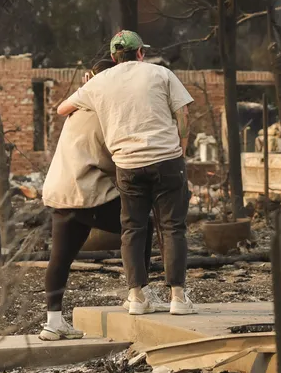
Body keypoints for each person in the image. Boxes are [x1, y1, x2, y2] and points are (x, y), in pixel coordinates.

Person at [57, 30, 195, 315]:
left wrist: (89, 89)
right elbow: (183, 114)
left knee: (133, 229)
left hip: (128, 165)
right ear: (141, 53)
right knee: (173, 228)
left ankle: (136, 297)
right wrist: (181, 149)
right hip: (167, 160)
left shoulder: (101, 82)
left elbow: (62, 109)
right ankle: (178, 298)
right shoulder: (161, 73)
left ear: (112, 57)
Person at [39, 59, 165, 341]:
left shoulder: (79, 108)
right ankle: (138, 293)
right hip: (87, 191)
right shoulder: (106, 111)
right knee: (139, 225)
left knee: (60, 257)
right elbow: (117, 157)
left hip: (61, 191)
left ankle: (53, 322)